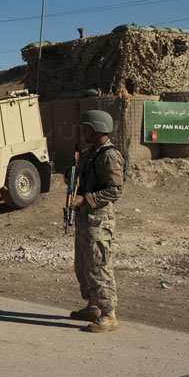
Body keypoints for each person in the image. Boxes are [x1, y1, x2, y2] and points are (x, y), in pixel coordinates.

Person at [69, 110, 126, 333]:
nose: (83, 132)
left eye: (86, 128)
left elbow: (115, 190)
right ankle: (93, 305)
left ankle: (109, 314)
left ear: (97, 128)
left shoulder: (109, 156)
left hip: (99, 220)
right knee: (83, 265)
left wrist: (87, 198)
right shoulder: (90, 153)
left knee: (98, 266)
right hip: (86, 219)